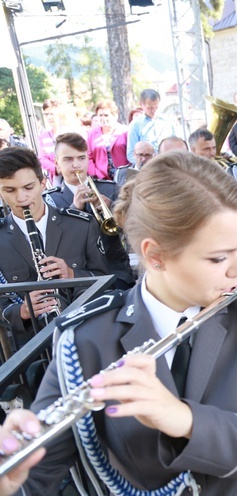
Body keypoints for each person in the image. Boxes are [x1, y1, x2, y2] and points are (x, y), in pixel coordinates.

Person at [0, 151, 237, 496]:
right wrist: (13, 480)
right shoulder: (86, 339)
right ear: (155, 255)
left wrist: (185, 420)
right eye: (219, 257)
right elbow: (37, 478)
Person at [0, 146, 109, 348]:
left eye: (28, 187)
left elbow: (106, 282)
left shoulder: (81, 225)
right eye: (10, 190)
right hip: (30, 351)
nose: (21, 198)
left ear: (43, 184)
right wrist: (22, 311)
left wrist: (72, 274)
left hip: (84, 339)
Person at [44, 133, 135, 290]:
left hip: (117, 275)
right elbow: (54, 244)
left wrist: (113, 207)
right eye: (68, 159)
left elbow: (133, 229)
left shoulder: (110, 188)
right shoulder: (50, 200)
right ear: (57, 164)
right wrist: (74, 210)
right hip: (77, 280)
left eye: (81, 158)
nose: (76, 165)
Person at [126, 89, 178, 164]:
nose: (153, 110)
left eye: (156, 107)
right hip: (146, 168)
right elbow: (131, 154)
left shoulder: (168, 122)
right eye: (149, 108)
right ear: (141, 105)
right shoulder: (135, 124)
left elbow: (176, 146)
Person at [87, 99, 129, 180]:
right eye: (100, 115)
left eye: (106, 115)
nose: (103, 118)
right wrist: (96, 173)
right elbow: (88, 157)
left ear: (115, 116)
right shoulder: (91, 134)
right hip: (101, 178)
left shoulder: (125, 131)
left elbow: (131, 154)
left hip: (123, 177)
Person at [38, 99, 61, 184]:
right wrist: (55, 169)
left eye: (52, 113)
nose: (49, 117)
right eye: (46, 114)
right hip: (56, 179)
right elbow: (42, 158)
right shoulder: (43, 136)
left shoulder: (71, 133)